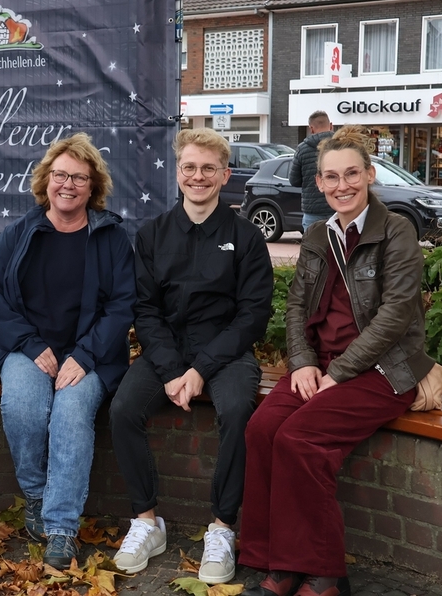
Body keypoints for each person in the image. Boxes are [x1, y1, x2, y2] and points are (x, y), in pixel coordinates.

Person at [238, 126, 435, 596]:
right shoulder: (316, 234)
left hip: (384, 368)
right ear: (319, 184)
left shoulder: (396, 230)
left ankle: (326, 574)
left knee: (301, 438)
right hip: (321, 364)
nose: (341, 185)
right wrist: (303, 361)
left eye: (351, 174)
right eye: (331, 177)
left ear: (369, 174)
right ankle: (279, 563)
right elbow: (296, 306)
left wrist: (339, 373)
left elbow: (395, 315)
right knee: (262, 430)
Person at [110, 128, 273, 585]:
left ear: (224, 175)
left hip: (227, 352)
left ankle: (222, 528)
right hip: (167, 351)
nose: (197, 176)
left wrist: (200, 369)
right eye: (189, 167)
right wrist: (170, 369)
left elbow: (252, 316)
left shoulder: (245, 237)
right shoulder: (152, 234)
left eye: (207, 168)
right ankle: (147, 522)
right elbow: (145, 310)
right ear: (177, 173)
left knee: (239, 410)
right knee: (123, 410)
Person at [0, 133, 135, 570]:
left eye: (79, 178)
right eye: (60, 174)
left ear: (93, 186)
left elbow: (123, 305)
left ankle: (62, 528)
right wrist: (29, 345)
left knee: (69, 414)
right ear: (46, 179)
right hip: (28, 349)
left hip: (91, 356)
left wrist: (84, 357)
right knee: (25, 406)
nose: (68, 184)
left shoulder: (111, 238)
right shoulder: (20, 233)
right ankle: (36, 495)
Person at [290, 110, 335, 231]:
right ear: (331, 126)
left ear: (311, 128)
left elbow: (294, 180)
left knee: (312, 247)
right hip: (337, 206)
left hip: (312, 211)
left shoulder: (302, 149)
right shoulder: (341, 145)